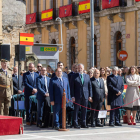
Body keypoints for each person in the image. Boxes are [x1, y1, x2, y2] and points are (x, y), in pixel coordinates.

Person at [71, 63, 92, 129]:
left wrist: (90, 96)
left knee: (84, 110)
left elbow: (89, 87)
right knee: (76, 110)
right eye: (79, 68)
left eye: (81, 68)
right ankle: (76, 123)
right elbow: (72, 87)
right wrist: (72, 96)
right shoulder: (74, 76)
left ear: (83, 69)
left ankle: (83, 123)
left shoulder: (87, 76)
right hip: (77, 96)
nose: (80, 69)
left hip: (85, 95)